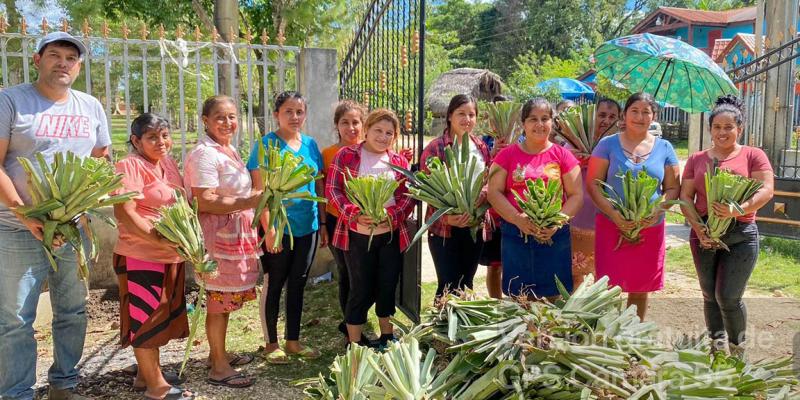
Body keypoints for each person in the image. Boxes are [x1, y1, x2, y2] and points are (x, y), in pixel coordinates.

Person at [0, 32, 110, 400]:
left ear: (78, 67)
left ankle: (64, 385)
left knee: (73, 310)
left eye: (71, 58)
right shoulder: (11, 101)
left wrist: (87, 201)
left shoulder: (90, 106)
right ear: (37, 60)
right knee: (16, 318)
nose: (63, 63)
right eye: (54, 55)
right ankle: (17, 393)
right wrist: (26, 214)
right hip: (17, 228)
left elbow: (100, 159)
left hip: (74, 229)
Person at [679, 95, 774, 355]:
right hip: (704, 233)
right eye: (717, 127)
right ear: (710, 129)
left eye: (728, 127)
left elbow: (766, 190)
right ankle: (717, 350)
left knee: (728, 297)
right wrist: (698, 228)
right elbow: (685, 197)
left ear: (739, 129)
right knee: (709, 295)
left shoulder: (754, 155)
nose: (722, 132)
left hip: (741, 233)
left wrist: (737, 209)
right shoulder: (697, 159)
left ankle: (738, 352)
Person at [113, 114, 195, 400]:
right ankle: (156, 387)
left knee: (160, 316)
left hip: (169, 255)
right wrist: (156, 237)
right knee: (145, 319)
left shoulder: (167, 163)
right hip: (141, 254)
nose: (161, 142)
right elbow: (125, 210)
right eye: (152, 137)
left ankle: (145, 375)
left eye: (165, 135)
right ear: (136, 141)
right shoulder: (129, 165)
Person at [184, 95, 260, 388]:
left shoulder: (228, 149)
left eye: (232, 116)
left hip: (233, 234)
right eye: (219, 117)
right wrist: (248, 201)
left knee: (225, 301)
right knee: (218, 301)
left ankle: (219, 354)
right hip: (216, 237)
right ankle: (218, 367)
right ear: (205, 121)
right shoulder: (205, 154)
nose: (227, 122)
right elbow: (204, 200)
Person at [586, 92, 680, 321]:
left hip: (649, 227)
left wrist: (656, 211)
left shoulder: (665, 147)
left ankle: (633, 332)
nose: (639, 117)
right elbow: (593, 184)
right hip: (612, 225)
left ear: (654, 116)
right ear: (624, 115)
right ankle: (606, 333)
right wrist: (614, 214)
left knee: (641, 285)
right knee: (608, 285)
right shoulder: (607, 145)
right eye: (634, 111)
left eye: (646, 112)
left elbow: (672, 188)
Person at [326, 109, 415, 348]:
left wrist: (392, 215)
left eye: (389, 133)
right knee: (360, 288)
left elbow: (407, 196)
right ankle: (354, 343)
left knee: (387, 286)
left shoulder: (398, 161)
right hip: (357, 236)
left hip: (389, 236)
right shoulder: (347, 155)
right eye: (378, 130)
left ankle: (386, 336)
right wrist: (354, 213)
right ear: (366, 130)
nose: (383, 137)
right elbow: (333, 190)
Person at [247, 91, 325, 364]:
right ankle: (271, 344)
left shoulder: (311, 145)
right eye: (288, 111)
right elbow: (259, 191)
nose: (294, 117)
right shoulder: (265, 145)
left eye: (299, 112)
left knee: (298, 283)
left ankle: (293, 341)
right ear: (276, 114)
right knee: (275, 283)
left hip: (308, 226)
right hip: (277, 228)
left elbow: (318, 185)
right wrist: (270, 230)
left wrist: (322, 224)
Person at [487, 98, 583, 299]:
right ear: (523, 123)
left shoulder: (563, 156)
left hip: (554, 235)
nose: (540, 124)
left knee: (553, 296)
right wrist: (517, 219)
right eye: (533, 119)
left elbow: (576, 196)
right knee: (520, 296)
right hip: (516, 233)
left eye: (545, 118)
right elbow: (494, 192)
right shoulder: (506, 156)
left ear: (552, 122)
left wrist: (556, 222)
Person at [420, 94, 490, 298]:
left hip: (474, 225)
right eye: (461, 113)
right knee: (447, 285)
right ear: (450, 116)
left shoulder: (481, 147)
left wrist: (483, 194)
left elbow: (489, 179)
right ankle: (443, 319)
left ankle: (462, 319)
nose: (467, 119)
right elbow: (427, 188)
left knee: (466, 283)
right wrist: (446, 217)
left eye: (471, 114)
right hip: (445, 228)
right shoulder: (436, 147)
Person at [320, 100, 368, 341]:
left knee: (364, 276)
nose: (351, 128)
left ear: (363, 124)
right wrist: (322, 225)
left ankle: (353, 321)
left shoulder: (370, 150)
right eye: (345, 123)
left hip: (366, 224)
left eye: (355, 122)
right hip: (336, 221)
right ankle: (351, 329)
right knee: (347, 274)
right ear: (336, 126)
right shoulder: (328, 154)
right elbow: (322, 192)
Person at [569, 98, 620, 288]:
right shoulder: (573, 143)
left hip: (610, 219)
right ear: (592, 117)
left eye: (612, 117)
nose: (606, 120)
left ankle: (604, 307)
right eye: (602, 115)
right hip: (579, 219)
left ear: (619, 120)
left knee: (607, 278)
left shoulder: (621, 146)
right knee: (575, 274)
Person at [480, 94, 511, 299]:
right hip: (492, 212)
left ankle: (515, 302)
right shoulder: (484, 142)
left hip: (514, 208)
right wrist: (492, 153)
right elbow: (479, 174)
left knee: (514, 261)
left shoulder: (521, 139)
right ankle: (495, 303)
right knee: (494, 264)